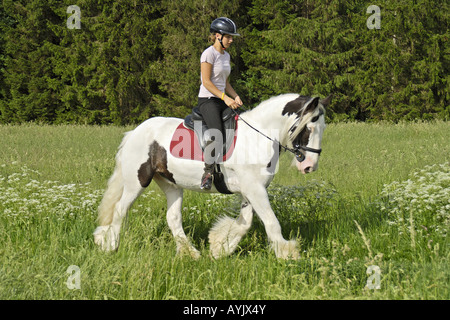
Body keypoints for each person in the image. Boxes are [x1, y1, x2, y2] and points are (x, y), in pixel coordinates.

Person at [198, 17, 242, 190]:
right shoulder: (208, 54)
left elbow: (226, 82)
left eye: (232, 37)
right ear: (218, 36)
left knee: (240, 123)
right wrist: (225, 98)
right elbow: (207, 82)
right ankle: (207, 174)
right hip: (208, 100)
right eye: (229, 37)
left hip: (223, 97)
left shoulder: (226, 55)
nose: (231, 40)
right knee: (216, 133)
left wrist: (235, 96)